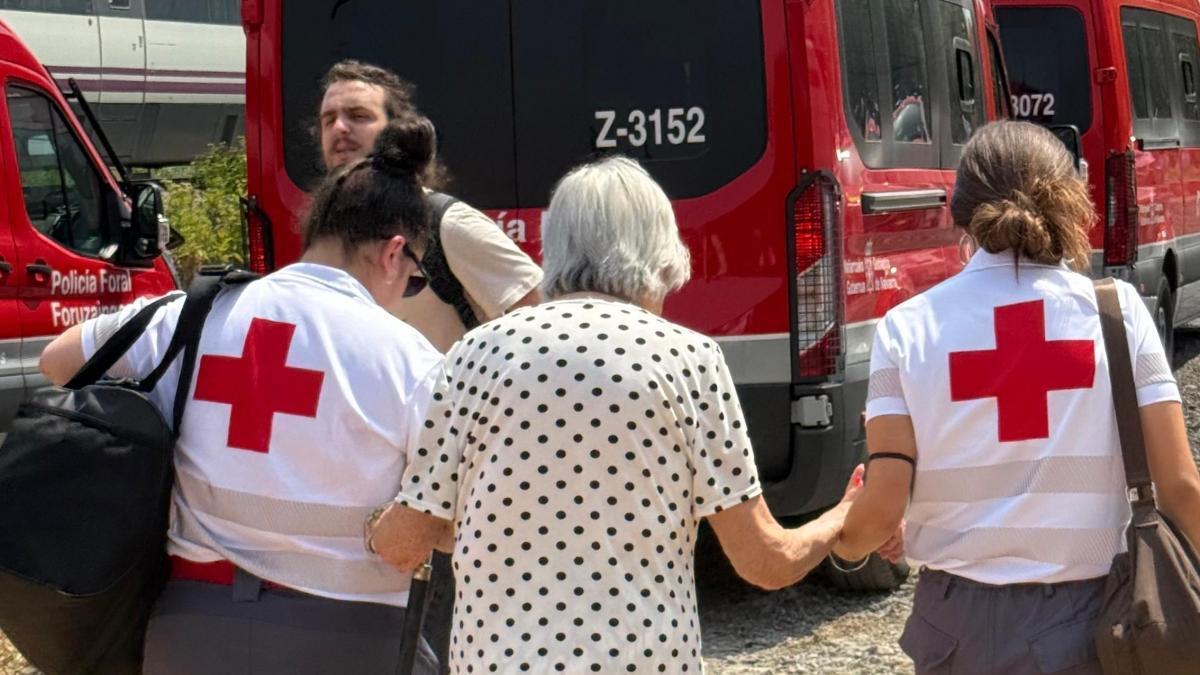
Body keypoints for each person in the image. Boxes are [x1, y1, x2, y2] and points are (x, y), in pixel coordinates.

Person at [365, 156, 862, 674]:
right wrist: (842, 518)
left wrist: (369, 525)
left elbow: (407, 543)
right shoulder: (689, 360)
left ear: (553, 246)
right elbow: (764, 560)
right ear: (662, 254)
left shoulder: (475, 355)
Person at [39, 119, 447, 674]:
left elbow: (57, 361)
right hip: (351, 639)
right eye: (415, 277)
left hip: (190, 631)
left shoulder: (191, 312)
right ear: (393, 252)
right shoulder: (410, 359)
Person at [831, 121, 1200, 674]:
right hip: (1095, 623)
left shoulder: (905, 328)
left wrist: (847, 543)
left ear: (959, 213)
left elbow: (884, 504)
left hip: (956, 627)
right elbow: (1179, 486)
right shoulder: (1117, 312)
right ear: (1072, 201)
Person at [317, 60, 542, 351]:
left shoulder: (446, 224)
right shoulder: (328, 235)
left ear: (396, 130)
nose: (340, 128)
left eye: (358, 116)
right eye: (328, 119)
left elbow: (543, 324)